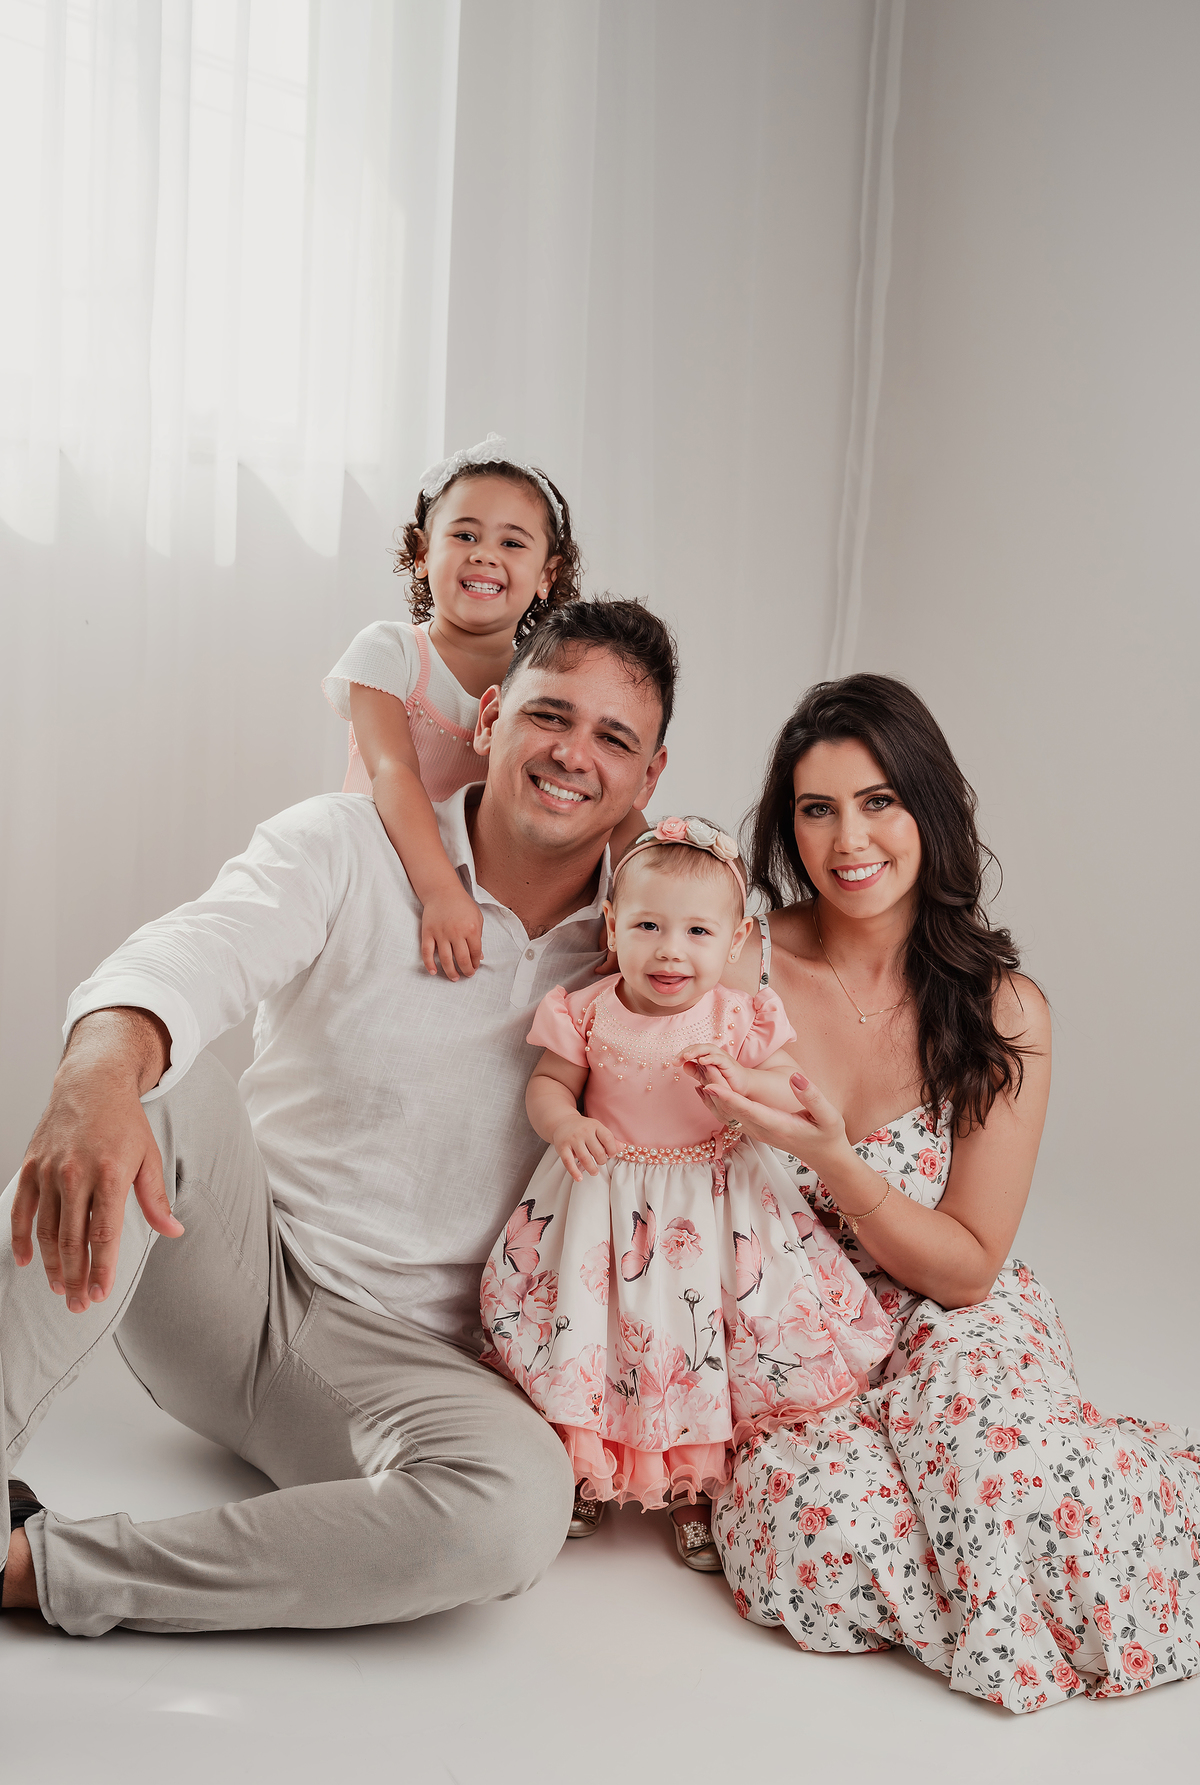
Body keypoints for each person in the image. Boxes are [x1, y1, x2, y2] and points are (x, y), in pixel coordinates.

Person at [0, 598, 674, 1636]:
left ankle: (34, 1571)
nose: (572, 753)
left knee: (519, 1506)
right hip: (236, 1277)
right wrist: (98, 1067)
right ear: (492, 716)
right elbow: (199, 947)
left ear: (648, 778)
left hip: (410, 1369)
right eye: (550, 714)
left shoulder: (650, 954)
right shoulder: (349, 843)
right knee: (156, 1084)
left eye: (614, 738)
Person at [705, 673, 1200, 1712]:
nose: (849, 840)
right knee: (810, 1539)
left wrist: (837, 1163)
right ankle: (1032, 1583)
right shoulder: (736, 963)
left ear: (929, 806)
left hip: (951, 1313)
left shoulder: (1004, 1009)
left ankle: (1080, 1532)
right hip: (798, 1341)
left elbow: (970, 1265)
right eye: (817, 808)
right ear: (789, 825)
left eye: (879, 800)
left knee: (1007, 1477)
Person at [480, 816, 895, 1568]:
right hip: (608, 1201)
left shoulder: (738, 1016)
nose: (671, 950)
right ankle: (586, 1465)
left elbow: (791, 1087)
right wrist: (566, 1123)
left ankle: (692, 1488)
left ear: (735, 942)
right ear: (613, 926)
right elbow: (548, 1085)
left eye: (698, 931)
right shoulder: (589, 1009)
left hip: (713, 1203)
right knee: (604, 1334)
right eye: (648, 925)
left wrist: (745, 1080)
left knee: (697, 1341)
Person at [323, 432, 644, 980]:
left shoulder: (539, 687)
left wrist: (652, 894)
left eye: (512, 543)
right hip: (383, 872)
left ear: (547, 576)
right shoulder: (391, 652)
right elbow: (392, 771)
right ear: (422, 555)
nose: (485, 554)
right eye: (465, 534)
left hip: (482, 890)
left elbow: (614, 808)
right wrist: (440, 891)